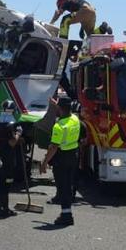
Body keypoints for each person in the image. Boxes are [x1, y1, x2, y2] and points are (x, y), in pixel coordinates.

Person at [40, 96, 81, 226]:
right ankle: (67, 213)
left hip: (61, 159)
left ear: (60, 108)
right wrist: (56, 104)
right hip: (73, 156)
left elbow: (53, 147)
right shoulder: (75, 119)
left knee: (62, 188)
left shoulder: (59, 126)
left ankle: (66, 216)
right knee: (68, 186)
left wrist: (45, 162)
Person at [0, 100, 21, 219]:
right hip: (8, 160)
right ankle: (4, 209)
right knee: (6, 184)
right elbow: (12, 142)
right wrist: (19, 133)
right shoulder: (10, 125)